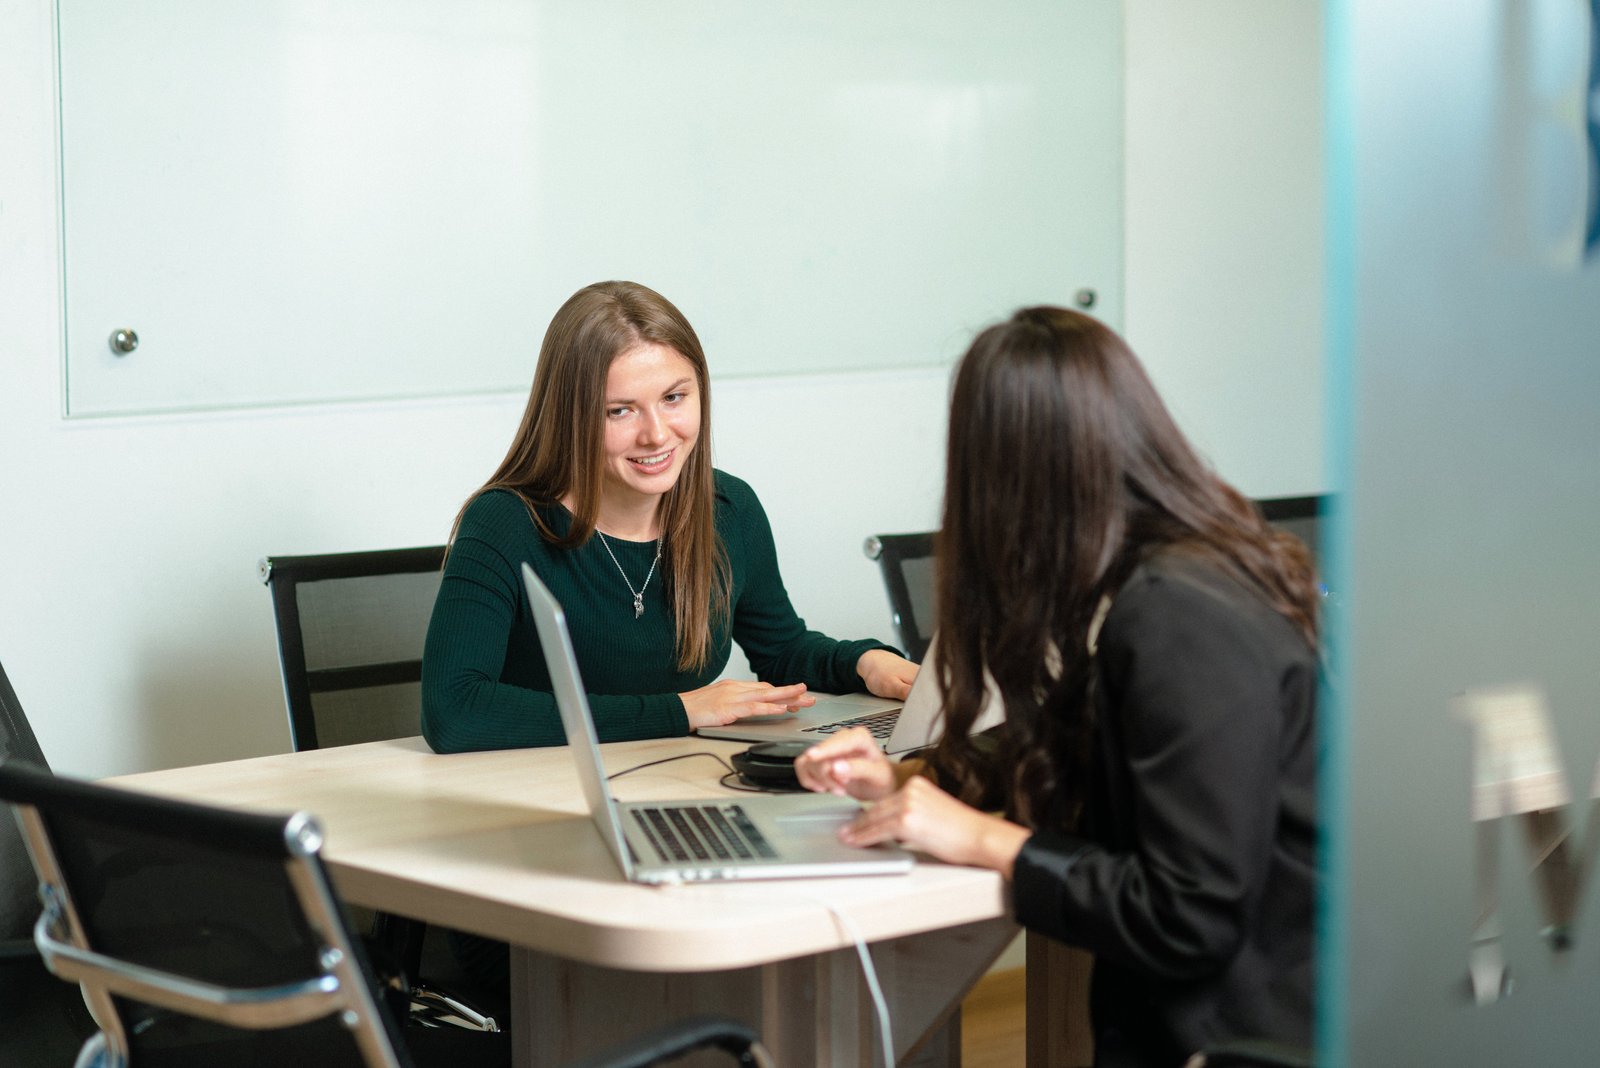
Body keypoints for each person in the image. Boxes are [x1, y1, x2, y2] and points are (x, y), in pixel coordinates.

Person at [795, 306, 1318, 1067]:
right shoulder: (1172, 575)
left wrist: (982, 836)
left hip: (1245, 1037)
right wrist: (909, 778)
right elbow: (1078, 732)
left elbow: (1188, 915)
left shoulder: (1182, 615)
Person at [421, 279, 917, 754]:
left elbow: (782, 651)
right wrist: (680, 712)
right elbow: (455, 710)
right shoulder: (506, 522)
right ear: (570, 416)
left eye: (673, 398)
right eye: (620, 411)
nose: (656, 435)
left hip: (675, 778)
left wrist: (864, 663)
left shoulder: (730, 509)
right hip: (536, 790)